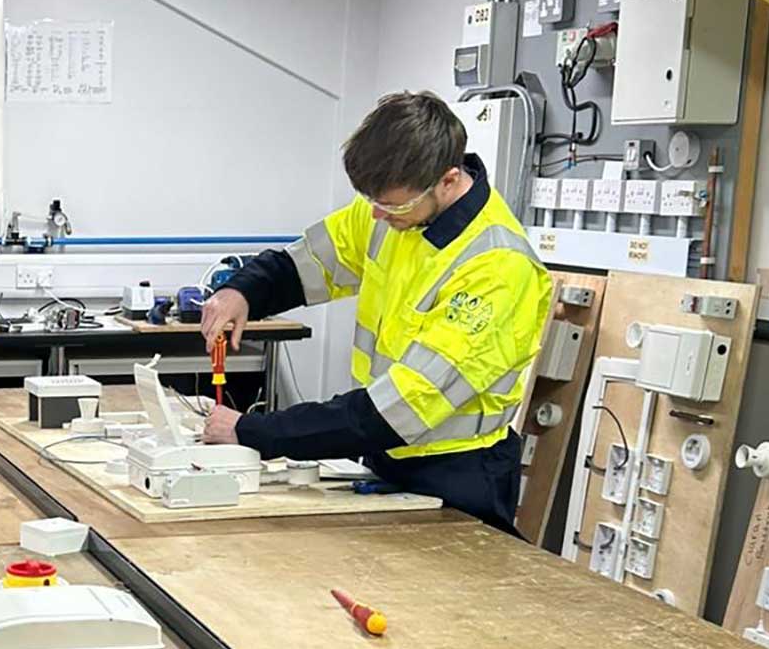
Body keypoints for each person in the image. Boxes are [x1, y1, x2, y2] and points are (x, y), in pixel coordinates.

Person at [200, 91, 552, 533]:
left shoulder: (497, 269)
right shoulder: (393, 211)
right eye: (373, 202)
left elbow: (396, 410)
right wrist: (243, 291)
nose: (378, 215)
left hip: (458, 477)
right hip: (386, 458)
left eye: (393, 206)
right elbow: (308, 263)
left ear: (447, 180)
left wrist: (256, 432)